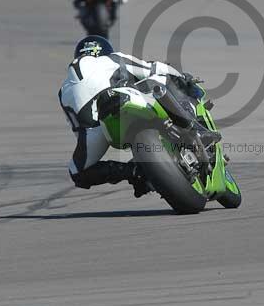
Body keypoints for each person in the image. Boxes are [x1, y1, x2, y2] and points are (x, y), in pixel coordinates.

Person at [58, 35, 220, 195]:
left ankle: (132, 171)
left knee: (77, 173)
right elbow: (152, 68)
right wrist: (182, 78)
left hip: (98, 127)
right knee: (160, 78)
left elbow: (77, 128)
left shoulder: (63, 90)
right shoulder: (112, 58)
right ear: (105, 51)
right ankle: (196, 127)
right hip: (126, 98)